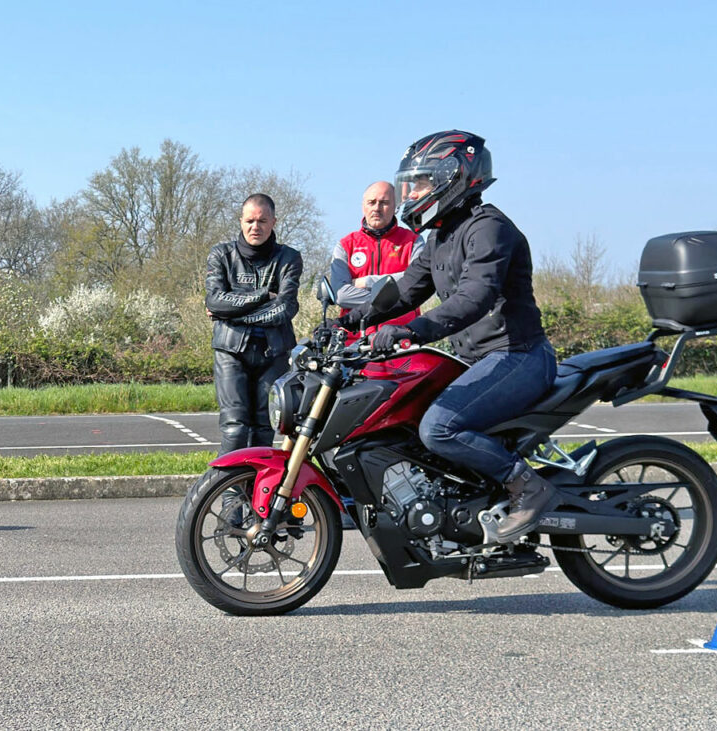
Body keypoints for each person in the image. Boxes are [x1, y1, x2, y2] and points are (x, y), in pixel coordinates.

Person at [341, 131, 557, 542]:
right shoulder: (440, 235)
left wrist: (411, 330)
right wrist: (350, 321)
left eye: (421, 182)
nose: (412, 192)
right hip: (479, 359)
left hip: (517, 356)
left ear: (454, 178)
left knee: (438, 427)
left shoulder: (489, 229)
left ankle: (527, 487)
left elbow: (474, 298)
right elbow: (405, 290)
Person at [205, 193, 302, 455]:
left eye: (262, 220)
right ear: (240, 221)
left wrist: (232, 313)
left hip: (274, 352)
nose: (255, 227)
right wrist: (261, 296)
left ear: (273, 222)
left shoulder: (289, 258)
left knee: (264, 427)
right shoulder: (221, 254)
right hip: (230, 351)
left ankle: (256, 492)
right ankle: (232, 494)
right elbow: (215, 301)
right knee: (235, 428)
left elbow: (285, 308)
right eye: (249, 220)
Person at [330, 181, 423, 336]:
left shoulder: (413, 241)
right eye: (371, 202)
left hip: (401, 340)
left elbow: (417, 282)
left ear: (395, 206)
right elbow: (341, 295)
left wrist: (367, 282)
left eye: (384, 203)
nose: (376, 208)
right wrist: (393, 297)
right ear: (363, 206)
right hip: (354, 342)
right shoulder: (345, 245)